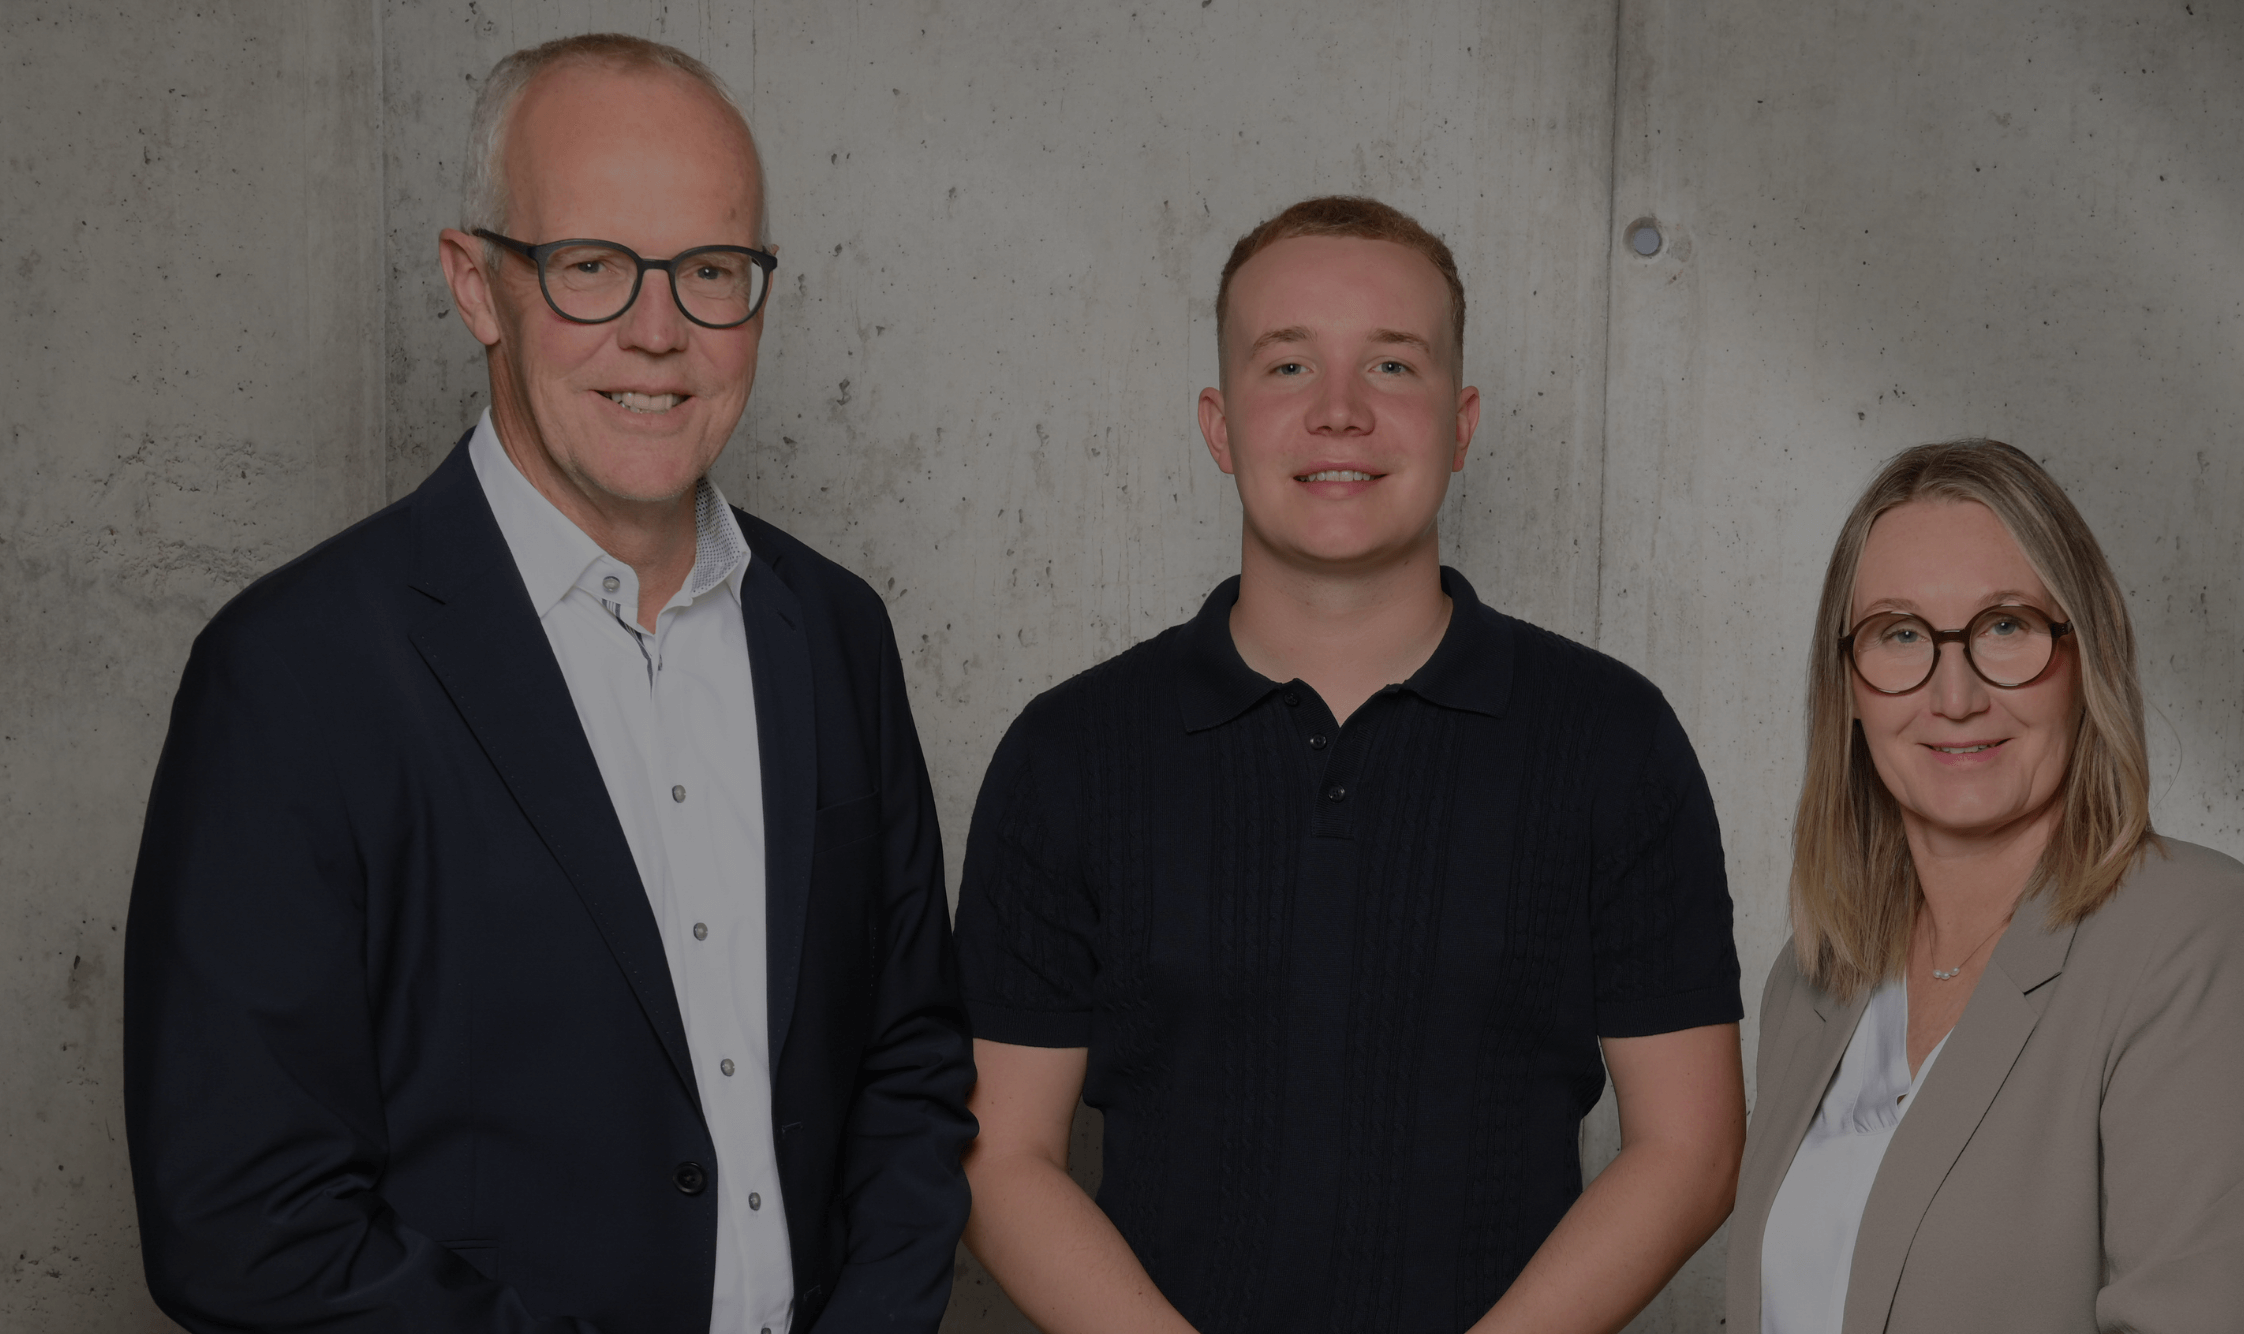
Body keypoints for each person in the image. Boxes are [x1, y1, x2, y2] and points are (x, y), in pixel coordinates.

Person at [123, 34, 973, 1334]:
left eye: (709, 271)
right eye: (589, 267)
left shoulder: (835, 631)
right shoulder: (291, 673)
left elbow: (908, 1068)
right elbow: (246, 1219)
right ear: (478, 286)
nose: (658, 330)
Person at [953, 195, 1747, 1334]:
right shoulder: (1070, 752)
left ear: (1461, 421)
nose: (1339, 412)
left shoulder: (1610, 739)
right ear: (1218, 424)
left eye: (1390, 364)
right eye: (1286, 366)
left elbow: (1692, 1145)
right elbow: (1000, 1152)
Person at [1726, 440, 2244, 1333]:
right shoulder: (1813, 984)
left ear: (2086, 656)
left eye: (2005, 626)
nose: (1956, 694)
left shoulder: (2198, 941)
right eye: (1900, 635)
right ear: (1847, 685)